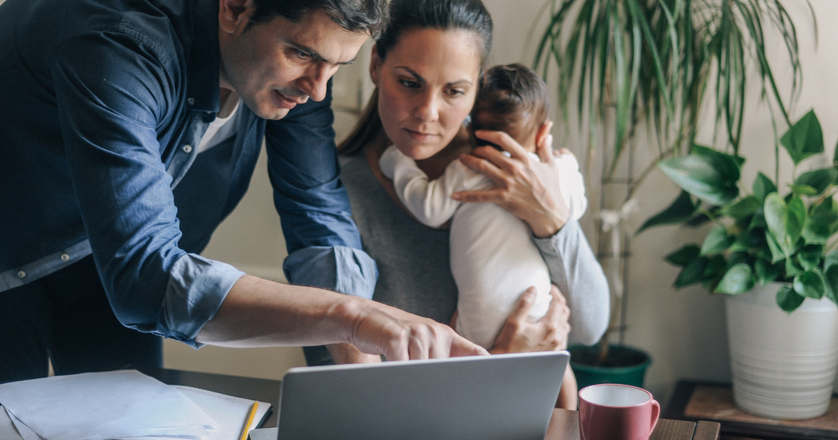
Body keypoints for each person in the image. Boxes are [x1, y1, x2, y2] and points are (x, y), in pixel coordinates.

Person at [0, 0, 488, 384]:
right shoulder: (119, 41)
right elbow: (146, 275)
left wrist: (360, 379)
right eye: (302, 54)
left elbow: (315, 211)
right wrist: (353, 316)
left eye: (337, 66)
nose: (317, 90)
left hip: (108, 265)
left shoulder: (304, 73)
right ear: (235, 8)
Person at [327, 0, 611, 408]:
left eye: (455, 91)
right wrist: (497, 364)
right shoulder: (337, 195)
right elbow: (353, 393)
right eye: (409, 82)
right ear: (375, 65)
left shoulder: (516, 172)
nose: (428, 113)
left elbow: (590, 327)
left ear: (477, 88)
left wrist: (552, 219)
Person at [378, 63, 588, 350]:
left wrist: (398, 163)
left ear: (470, 125)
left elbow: (429, 208)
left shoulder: (467, 169)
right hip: (536, 307)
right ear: (543, 134)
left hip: (476, 323)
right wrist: (570, 166)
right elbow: (576, 208)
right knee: (556, 362)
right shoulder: (552, 175)